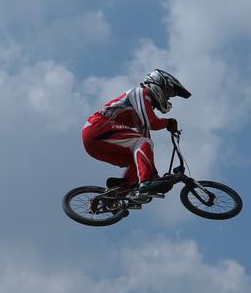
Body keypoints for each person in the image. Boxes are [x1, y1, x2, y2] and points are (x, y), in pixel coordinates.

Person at [82, 69, 191, 200]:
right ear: (157, 83)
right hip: (97, 127)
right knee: (142, 143)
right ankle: (144, 182)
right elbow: (152, 123)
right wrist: (168, 122)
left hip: (96, 144)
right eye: (168, 92)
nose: (167, 97)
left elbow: (145, 147)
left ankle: (118, 194)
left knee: (137, 154)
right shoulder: (140, 93)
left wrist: (154, 174)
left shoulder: (141, 113)